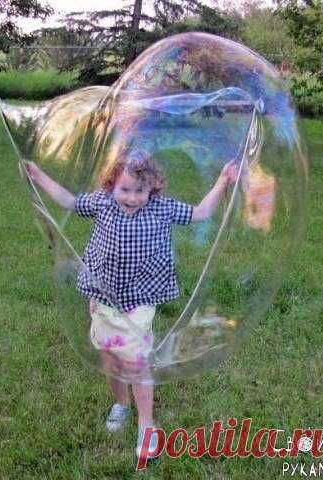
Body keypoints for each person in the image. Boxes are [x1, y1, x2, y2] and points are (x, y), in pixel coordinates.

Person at [25, 149, 238, 458]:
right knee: (110, 359)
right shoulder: (102, 202)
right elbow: (69, 201)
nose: (132, 197)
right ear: (111, 184)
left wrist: (223, 181)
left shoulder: (162, 208)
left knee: (136, 365)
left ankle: (146, 423)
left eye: (140, 190)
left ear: (152, 187)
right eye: (124, 189)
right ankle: (122, 404)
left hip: (139, 302)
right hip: (103, 299)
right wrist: (38, 176)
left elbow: (200, 213)